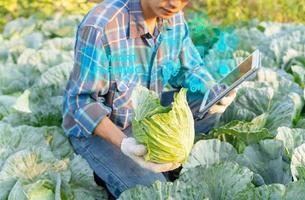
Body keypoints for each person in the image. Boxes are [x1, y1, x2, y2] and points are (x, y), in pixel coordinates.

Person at [62, 0, 236, 198]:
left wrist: (214, 90)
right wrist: (124, 144)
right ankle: (109, 171)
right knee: (153, 194)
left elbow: (190, 69)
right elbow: (82, 103)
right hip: (102, 129)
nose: (174, 3)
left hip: (146, 115)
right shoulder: (101, 25)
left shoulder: (173, 16)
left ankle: (165, 165)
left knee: (208, 104)